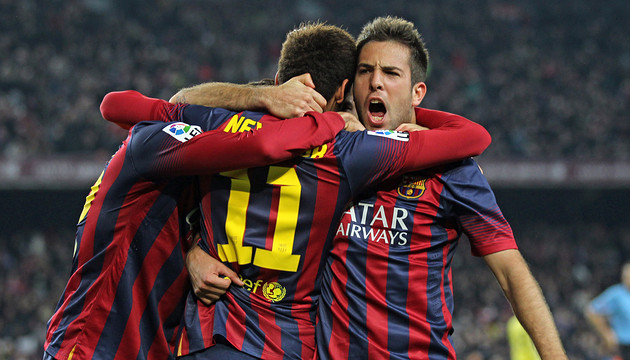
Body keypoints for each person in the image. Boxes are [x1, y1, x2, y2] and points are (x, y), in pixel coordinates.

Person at [102, 21, 492, 360]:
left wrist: (254, 98)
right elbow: (472, 136)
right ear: (343, 91)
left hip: (209, 333)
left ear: (278, 82)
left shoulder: (223, 125)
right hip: (289, 342)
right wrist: (410, 117)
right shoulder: (350, 151)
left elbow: (143, 104)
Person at [42, 75, 353, 359]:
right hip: (90, 346)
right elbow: (264, 144)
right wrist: (333, 121)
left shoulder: (199, 184)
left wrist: (194, 251)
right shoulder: (156, 143)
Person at [312, 16, 567, 359]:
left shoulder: (453, 170)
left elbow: (511, 271)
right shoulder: (328, 152)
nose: (375, 82)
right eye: (364, 71)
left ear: (418, 92)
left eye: (391, 73)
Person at [585, 260, 630, 360]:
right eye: (628, 275)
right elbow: (592, 311)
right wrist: (606, 333)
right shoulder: (617, 294)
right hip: (624, 345)